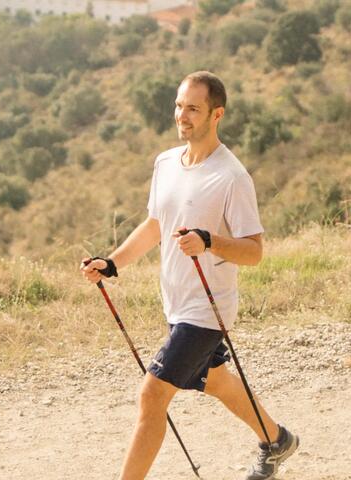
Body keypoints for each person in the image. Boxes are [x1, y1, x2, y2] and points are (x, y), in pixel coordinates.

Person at [79, 71, 299, 480]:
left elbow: (254, 252)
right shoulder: (166, 162)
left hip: (207, 311)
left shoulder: (231, 176)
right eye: (179, 106)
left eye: (193, 108)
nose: (183, 115)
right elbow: (155, 225)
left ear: (217, 114)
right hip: (176, 303)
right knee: (216, 381)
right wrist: (113, 263)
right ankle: (277, 440)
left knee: (152, 396)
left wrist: (210, 242)